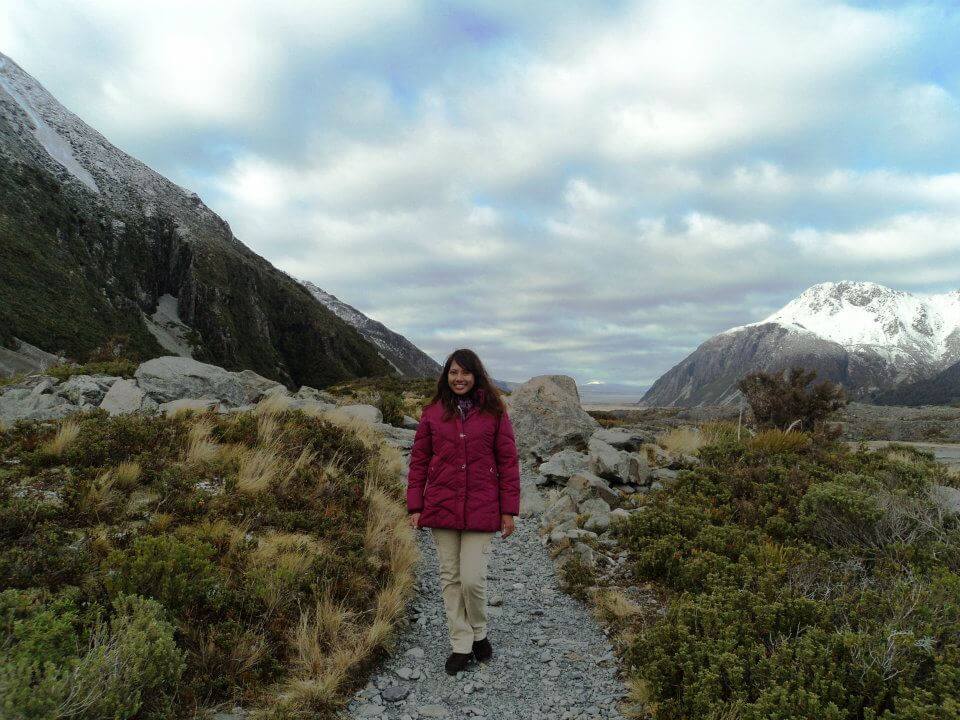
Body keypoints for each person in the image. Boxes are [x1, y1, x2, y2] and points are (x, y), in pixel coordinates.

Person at [406, 348, 521, 675]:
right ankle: (461, 643)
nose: (459, 379)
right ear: (446, 376)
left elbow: (508, 463)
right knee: (450, 577)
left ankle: (480, 632)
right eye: (453, 373)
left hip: (482, 507)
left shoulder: (495, 412)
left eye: (465, 373)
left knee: (471, 579)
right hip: (441, 506)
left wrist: (508, 510)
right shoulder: (432, 413)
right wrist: (415, 504)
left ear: (476, 375)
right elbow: (419, 462)